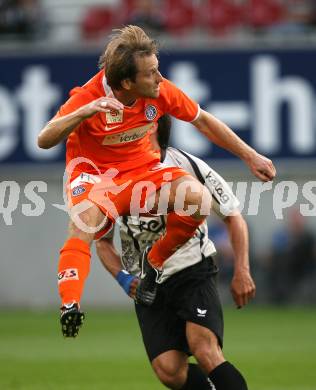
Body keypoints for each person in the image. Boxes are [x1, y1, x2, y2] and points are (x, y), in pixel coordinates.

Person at [37, 25, 275, 338]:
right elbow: (44, 139)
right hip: (96, 179)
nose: (159, 78)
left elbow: (203, 120)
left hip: (140, 171)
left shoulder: (160, 91)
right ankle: (70, 304)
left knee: (198, 200)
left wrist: (250, 156)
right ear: (126, 82)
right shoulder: (88, 97)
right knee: (83, 224)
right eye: (150, 73)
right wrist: (84, 112)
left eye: (157, 69)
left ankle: (154, 263)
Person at [97, 115, 255, 390]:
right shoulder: (112, 175)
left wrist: (242, 270)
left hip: (191, 268)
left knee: (204, 348)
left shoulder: (186, 164)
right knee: (169, 371)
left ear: (153, 125)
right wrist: (123, 279)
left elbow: (233, 216)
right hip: (148, 282)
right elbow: (102, 242)